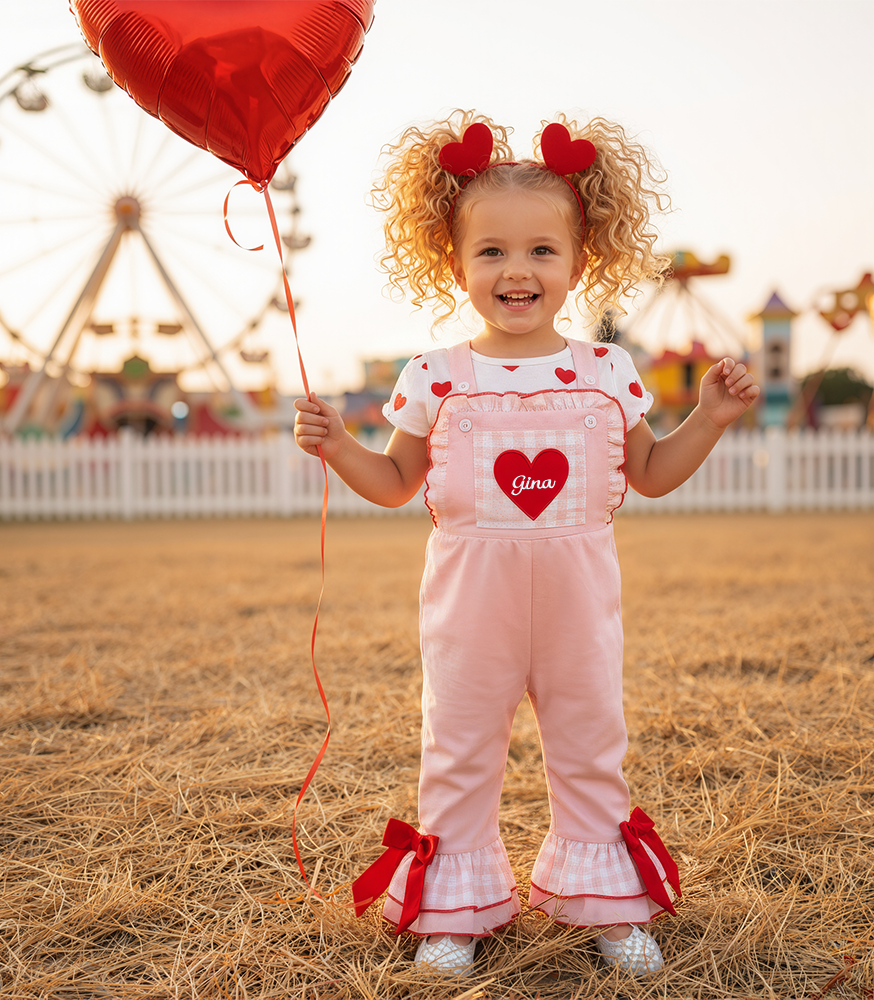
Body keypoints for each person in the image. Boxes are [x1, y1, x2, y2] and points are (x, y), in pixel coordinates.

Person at [294, 111, 759, 978]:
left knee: (589, 740)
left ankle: (604, 902)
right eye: (493, 251)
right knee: (461, 745)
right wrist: (336, 446)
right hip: (470, 606)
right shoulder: (434, 375)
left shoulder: (606, 369)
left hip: (581, 603)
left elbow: (651, 474)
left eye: (543, 251)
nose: (519, 270)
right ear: (456, 262)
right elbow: (396, 485)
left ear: (582, 259)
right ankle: (456, 911)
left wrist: (712, 417)